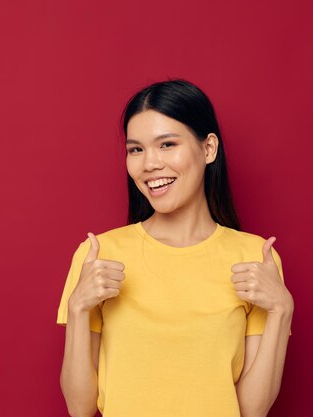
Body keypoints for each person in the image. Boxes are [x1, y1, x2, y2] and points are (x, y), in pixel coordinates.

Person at [56, 79, 294, 417]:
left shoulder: (256, 259)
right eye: (136, 149)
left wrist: (281, 309)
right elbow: (79, 408)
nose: (149, 163)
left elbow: (251, 409)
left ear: (208, 148)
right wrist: (78, 307)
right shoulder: (98, 254)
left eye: (167, 144)